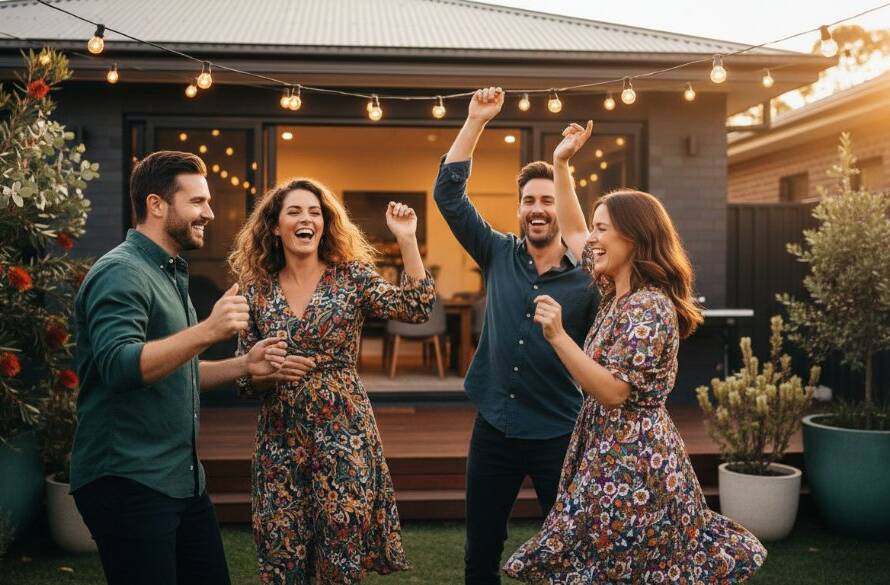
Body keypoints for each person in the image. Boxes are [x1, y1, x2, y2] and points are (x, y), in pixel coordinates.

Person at [504, 122, 767, 583]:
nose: (594, 238)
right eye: (597, 228)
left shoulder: (650, 308)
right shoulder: (614, 291)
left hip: (635, 465)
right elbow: (572, 229)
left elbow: (613, 392)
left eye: (604, 229)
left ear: (633, 238)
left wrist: (559, 336)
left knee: (623, 568)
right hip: (606, 452)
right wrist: (562, 163)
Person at [71, 150, 286, 585]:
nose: (208, 212)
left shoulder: (169, 273)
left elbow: (176, 369)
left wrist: (245, 363)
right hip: (128, 479)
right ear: (156, 205)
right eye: (197, 202)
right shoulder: (121, 273)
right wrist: (208, 330)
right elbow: (119, 366)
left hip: (181, 481)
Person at [228, 178, 436, 583]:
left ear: (324, 224)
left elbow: (416, 307)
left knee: (340, 558)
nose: (306, 219)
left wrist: (408, 240)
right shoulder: (257, 292)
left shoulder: (352, 278)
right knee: (281, 553)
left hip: (344, 435)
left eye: (314, 212)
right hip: (280, 441)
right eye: (294, 212)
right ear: (274, 226)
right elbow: (242, 377)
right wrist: (267, 374)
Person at [434, 87, 599, 585]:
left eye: (547, 199)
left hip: (560, 432)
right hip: (494, 431)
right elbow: (448, 196)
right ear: (520, 208)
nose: (537, 208)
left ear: (560, 208)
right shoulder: (497, 252)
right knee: (481, 549)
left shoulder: (590, 273)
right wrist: (475, 122)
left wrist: (562, 165)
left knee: (568, 552)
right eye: (528, 200)